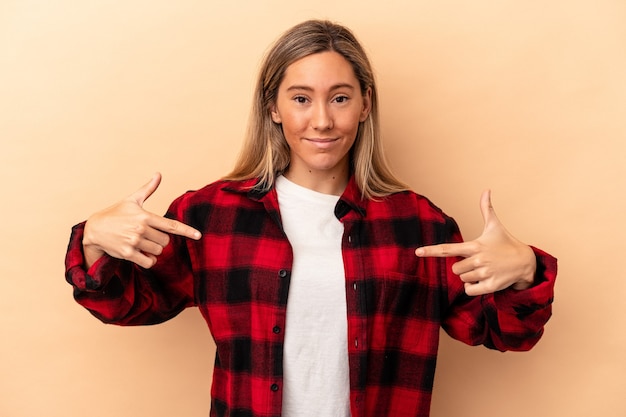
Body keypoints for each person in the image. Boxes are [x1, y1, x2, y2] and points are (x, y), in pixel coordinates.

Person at [65, 19, 557, 417]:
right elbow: (128, 304)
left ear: (365, 106)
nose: (321, 120)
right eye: (300, 98)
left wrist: (526, 273)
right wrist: (92, 240)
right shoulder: (211, 216)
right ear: (273, 109)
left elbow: (502, 332)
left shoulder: (419, 226)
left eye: (340, 98)